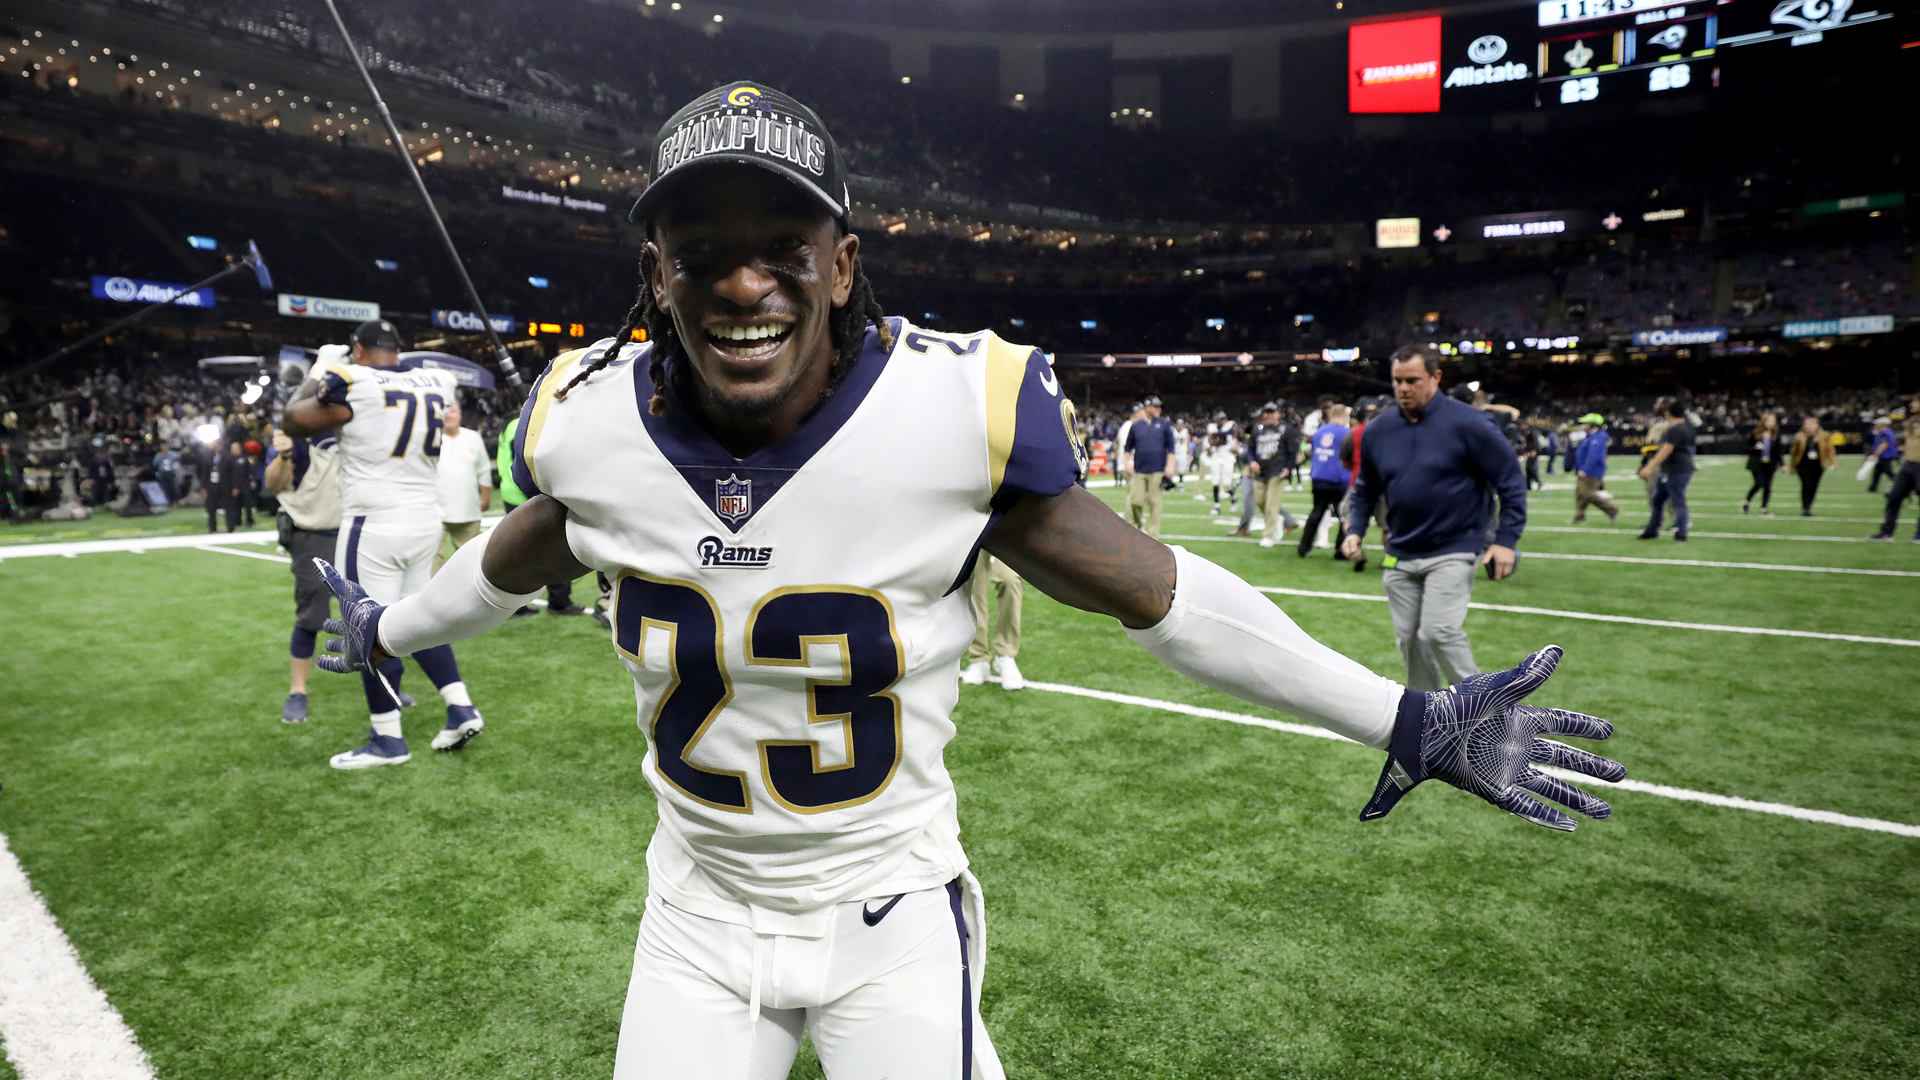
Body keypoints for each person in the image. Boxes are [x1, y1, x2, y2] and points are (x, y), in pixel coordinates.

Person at [311, 82, 1620, 1080]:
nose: (743, 279)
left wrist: (1405, 716)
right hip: (693, 912)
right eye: (700, 249)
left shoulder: (950, 411)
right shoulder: (583, 419)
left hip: (889, 909)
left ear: (842, 262)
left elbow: (1154, 592)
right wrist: (394, 629)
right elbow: (520, 547)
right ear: (654, 276)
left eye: (783, 241)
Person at [282, 318, 488, 768]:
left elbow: (294, 419)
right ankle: (460, 706)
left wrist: (321, 369)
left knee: (367, 627)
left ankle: (387, 739)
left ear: (357, 350)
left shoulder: (351, 380)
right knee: (419, 620)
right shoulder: (436, 380)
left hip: (373, 523)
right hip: (423, 520)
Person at [1342, 345, 1526, 690]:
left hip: (1454, 546)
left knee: (1438, 631)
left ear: (1436, 377)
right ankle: (1428, 715)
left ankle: (1486, 712)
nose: (1403, 388)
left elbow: (1511, 481)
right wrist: (1355, 529)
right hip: (1401, 551)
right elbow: (1366, 487)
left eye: (1412, 380)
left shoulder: (1471, 423)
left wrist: (1506, 541)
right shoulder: (1378, 430)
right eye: (1397, 381)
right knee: (1410, 642)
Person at [263, 429, 343, 723]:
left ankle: (382, 679)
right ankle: (298, 690)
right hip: (314, 535)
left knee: (369, 610)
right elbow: (273, 483)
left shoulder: (360, 423)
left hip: (357, 531)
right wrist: (284, 455)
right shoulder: (298, 435)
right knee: (312, 615)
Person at [494, 414, 590, 617]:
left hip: (512, 493)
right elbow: (524, 464)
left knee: (517, 554)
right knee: (556, 549)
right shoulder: (525, 423)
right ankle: (559, 601)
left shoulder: (510, 424)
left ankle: (516, 604)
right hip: (526, 496)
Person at [433, 400, 493, 573]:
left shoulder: (473, 438)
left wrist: (486, 497)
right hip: (434, 509)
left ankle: (467, 598)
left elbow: (483, 469)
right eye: (444, 412)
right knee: (432, 559)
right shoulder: (432, 438)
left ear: (459, 414)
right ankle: (435, 597)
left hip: (467, 508)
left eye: (452, 411)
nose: (448, 415)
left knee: (469, 560)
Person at [959, 551, 1024, 691]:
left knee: (1010, 579)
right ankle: (978, 657)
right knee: (973, 584)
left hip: (1004, 531)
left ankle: (1005, 654)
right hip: (975, 531)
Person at [1636, 400, 1696, 542]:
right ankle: (1652, 529)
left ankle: (1681, 533)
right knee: (1657, 500)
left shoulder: (1675, 429)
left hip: (1675, 470)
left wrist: (1649, 466)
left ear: (1669, 413)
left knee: (1677, 501)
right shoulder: (1688, 427)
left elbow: (1666, 449)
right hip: (1678, 468)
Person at [1297, 404, 1350, 559]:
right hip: (1338, 478)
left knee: (1317, 511)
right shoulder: (1346, 433)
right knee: (1343, 515)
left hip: (1319, 476)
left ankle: (1304, 547)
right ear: (1344, 416)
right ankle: (1340, 550)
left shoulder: (1319, 432)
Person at [1245, 402, 1299, 548]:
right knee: (1260, 501)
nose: (1268, 415)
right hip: (1261, 471)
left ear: (1278, 414)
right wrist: (1252, 462)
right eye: (1266, 412)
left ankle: (1268, 535)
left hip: (1277, 470)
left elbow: (1293, 451)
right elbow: (1250, 449)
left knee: (1271, 505)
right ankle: (1277, 520)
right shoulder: (1258, 429)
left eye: (1271, 412)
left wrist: (1288, 467)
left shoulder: (1285, 429)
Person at [1123, 395, 1175, 537]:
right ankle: (1139, 526)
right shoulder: (1136, 426)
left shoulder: (1164, 424)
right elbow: (1128, 447)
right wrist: (1126, 463)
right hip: (1139, 469)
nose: (1159, 409)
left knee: (1155, 502)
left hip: (1158, 469)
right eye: (1156, 406)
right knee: (1135, 501)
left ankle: (1153, 535)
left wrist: (1170, 466)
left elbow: (1171, 447)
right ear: (1147, 408)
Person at [1869, 396, 1920, 541]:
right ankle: (1886, 532)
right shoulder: (1912, 421)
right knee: (1893, 498)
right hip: (1908, 464)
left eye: (1915, 402)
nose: (1912, 404)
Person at [1568, 413, 1619, 525]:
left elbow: (1594, 455)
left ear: (1593, 424)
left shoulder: (1598, 438)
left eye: (1586, 423)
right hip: (1586, 469)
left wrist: (1585, 469)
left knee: (1587, 494)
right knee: (1580, 494)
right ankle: (1580, 516)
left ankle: (1612, 510)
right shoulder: (1591, 436)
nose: (1584, 425)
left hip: (1592, 471)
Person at [1787, 414, 1835, 517]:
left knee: (1814, 486)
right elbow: (1794, 452)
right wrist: (1792, 466)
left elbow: (1830, 449)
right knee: (1806, 484)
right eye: (1808, 424)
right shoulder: (1799, 436)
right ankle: (1805, 507)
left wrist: (1833, 463)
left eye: (1813, 424)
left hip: (1818, 464)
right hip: (1803, 464)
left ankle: (1809, 506)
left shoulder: (1824, 435)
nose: (1810, 426)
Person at [1742, 412, 1782, 516]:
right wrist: (1755, 448)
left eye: (1773, 421)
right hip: (1757, 463)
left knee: (1768, 486)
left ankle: (1764, 508)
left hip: (1770, 464)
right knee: (1759, 483)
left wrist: (1782, 464)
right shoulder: (1755, 433)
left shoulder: (1775, 435)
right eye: (1768, 421)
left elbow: (1778, 451)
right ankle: (1747, 501)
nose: (1771, 423)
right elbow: (1745, 448)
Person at [1201, 428, 1238, 515]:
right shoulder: (1211, 433)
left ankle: (1233, 498)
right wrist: (1213, 443)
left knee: (1227, 483)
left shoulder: (1229, 435)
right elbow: (1209, 449)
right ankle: (1217, 507)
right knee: (1215, 482)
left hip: (1227, 458)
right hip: (1216, 458)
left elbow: (1235, 449)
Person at [1865, 416, 1898, 493]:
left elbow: (1884, 444)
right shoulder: (1890, 432)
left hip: (1885, 456)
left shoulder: (1884, 433)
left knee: (1889, 472)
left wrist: (1876, 454)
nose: (1876, 425)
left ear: (1883, 424)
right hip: (1888, 455)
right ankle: (1872, 488)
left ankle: (1901, 484)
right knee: (1877, 472)